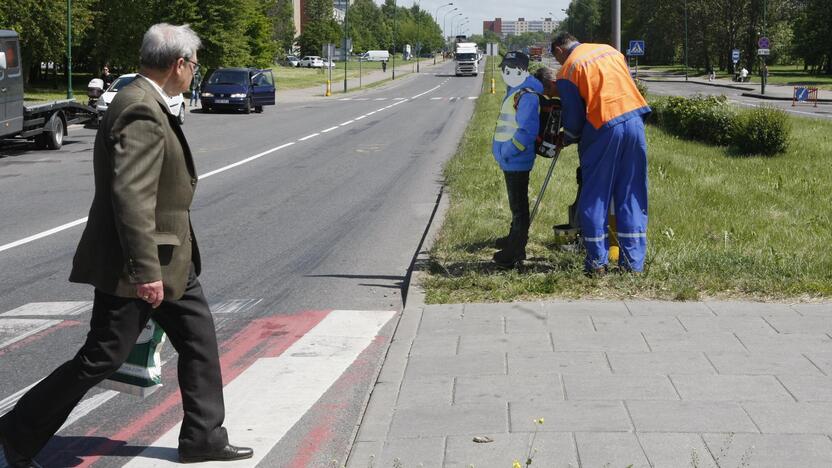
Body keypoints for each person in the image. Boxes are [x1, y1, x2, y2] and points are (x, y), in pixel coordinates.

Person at [0, 23, 253, 467]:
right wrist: (147, 271)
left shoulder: (148, 100)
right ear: (178, 65)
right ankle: (16, 433)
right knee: (101, 356)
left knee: (198, 339)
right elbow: (131, 197)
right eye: (194, 65)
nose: (194, 73)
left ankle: (204, 436)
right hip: (141, 262)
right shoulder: (139, 108)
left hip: (171, 258)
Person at [551, 32, 650, 274]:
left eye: (557, 59)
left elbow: (574, 119)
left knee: (596, 194)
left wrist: (568, 136)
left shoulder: (569, 69)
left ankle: (597, 263)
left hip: (603, 126)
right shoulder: (610, 51)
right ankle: (633, 264)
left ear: (559, 51)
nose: (558, 64)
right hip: (635, 121)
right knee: (631, 192)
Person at [491, 51, 543, 268]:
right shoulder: (516, 89)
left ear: (523, 70)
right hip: (511, 159)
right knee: (516, 205)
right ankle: (514, 239)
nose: (508, 73)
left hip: (516, 159)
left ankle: (516, 250)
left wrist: (508, 151)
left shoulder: (526, 95)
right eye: (505, 69)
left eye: (512, 69)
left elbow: (527, 131)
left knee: (519, 207)